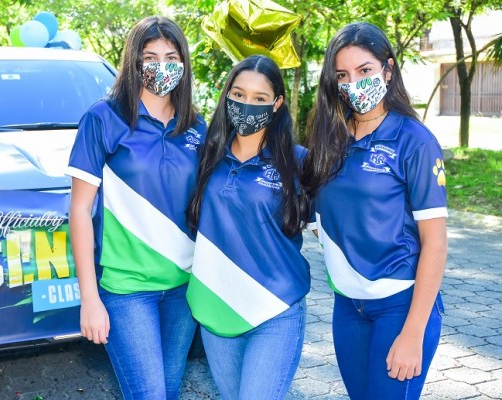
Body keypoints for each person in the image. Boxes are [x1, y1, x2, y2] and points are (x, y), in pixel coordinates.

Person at [302, 22, 447, 399]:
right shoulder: (329, 138)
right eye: (342, 75)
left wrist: (413, 332)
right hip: (347, 306)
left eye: (364, 70)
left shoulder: (415, 141)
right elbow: (319, 213)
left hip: (401, 306)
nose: (354, 83)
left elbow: (435, 244)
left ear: (388, 68)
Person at [66, 16, 206, 400]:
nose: (161, 65)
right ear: (134, 61)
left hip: (184, 290)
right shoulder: (103, 118)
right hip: (127, 291)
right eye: (150, 56)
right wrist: (89, 299)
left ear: (184, 63)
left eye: (171, 56)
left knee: (169, 391)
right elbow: (79, 211)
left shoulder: (196, 127)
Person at [186, 54, 311, 399]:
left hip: (276, 308)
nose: (246, 105)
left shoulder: (297, 162)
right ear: (226, 95)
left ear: (277, 104)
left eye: (259, 99)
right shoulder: (205, 155)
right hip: (217, 306)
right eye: (238, 95)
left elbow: (336, 223)